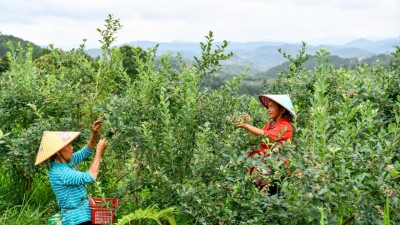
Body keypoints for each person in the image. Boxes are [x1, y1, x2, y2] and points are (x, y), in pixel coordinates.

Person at [34, 120, 108, 225]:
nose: (72, 148)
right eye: (68, 146)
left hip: (84, 213)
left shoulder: (67, 162)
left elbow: (86, 151)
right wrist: (99, 151)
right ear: (59, 153)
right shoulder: (60, 172)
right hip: (77, 219)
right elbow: (91, 176)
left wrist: (95, 134)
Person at [235, 94, 295, 194]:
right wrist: (247, 125)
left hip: (276, 172)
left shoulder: (285, 125)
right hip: (265, 169)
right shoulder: (271, 123)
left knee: (272, 201)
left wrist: (246, 125)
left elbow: (267, 135)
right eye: (269, 106)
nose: (268, 109)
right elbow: (258, 138)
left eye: (272, 106)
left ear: (282, 110)